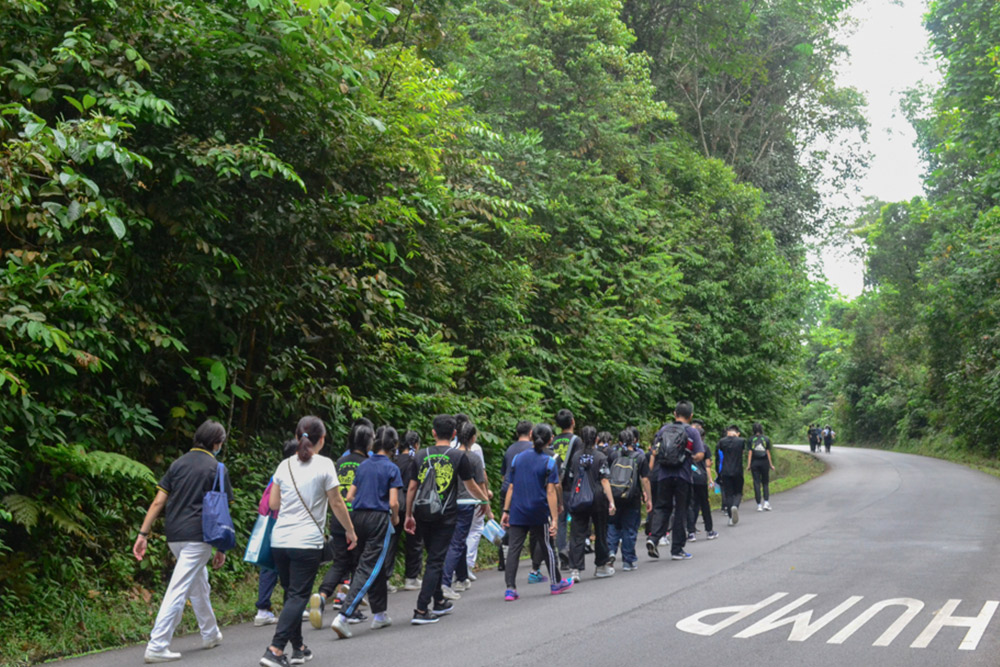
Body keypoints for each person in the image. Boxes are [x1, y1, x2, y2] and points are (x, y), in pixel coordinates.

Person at [260, 416, 357, 667]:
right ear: (322, 440)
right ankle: (275, 649)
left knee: (292, 594)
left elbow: (273, 505)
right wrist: (350, 530)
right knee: (297, 596)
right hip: (306, 543)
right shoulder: (325, 465)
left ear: (296, 437)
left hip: (280, 541)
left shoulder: (284, 466)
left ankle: (299, 648)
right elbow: (336, 502)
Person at [133, 420, 231, 664]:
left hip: (174, 535)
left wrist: (142, 534)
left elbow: (158, 502)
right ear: (217, 443)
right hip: (199, 536)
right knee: (178, 589)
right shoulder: (217, 468)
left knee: (199, 583)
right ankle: (157, 645)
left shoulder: (177, 464)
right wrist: (222, 546)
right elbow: (222, 511)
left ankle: (210, 633)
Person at [403, 414, 490, 625]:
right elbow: (470, 485)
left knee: (434, 555)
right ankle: (421, 609)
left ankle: (439, 601)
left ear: (433, 433)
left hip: (422, 513)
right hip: (446, 515)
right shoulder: (458, 457)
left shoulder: (420, 455)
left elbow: (412, 487)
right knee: (435, 561)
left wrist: (408, 514)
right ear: (453, 434)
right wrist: (484, 501)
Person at [329, 425, 403, 638]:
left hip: (357, 517)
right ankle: (343, 616)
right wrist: (395, 518)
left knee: (373, 565)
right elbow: (393, 502)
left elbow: (350, 496)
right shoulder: (391, 468)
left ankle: (379, 614)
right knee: (368, 566)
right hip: (377, 518)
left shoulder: (362, 466)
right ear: (393, 446)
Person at [501, 423, 575, 600]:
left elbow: (510, 486)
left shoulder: (517, 459)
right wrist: (555, 519)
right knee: (547, 545)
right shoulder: (549, 461)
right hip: (538, 510)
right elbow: (551, 491)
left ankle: (510, 588)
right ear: (550, 440)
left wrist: (506, 510)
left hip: (518, 509)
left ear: (532, 435)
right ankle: (556, 583)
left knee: (514, 549)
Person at [312, 419, 371, 625]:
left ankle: (321, 596)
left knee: (339, 563)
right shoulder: (367, 464)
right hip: (357, 521)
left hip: (338, 520)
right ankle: (351, 607)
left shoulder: (338, 462)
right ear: (367, 443)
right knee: (357, 564)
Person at [645, 401, 705, 561]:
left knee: (661, 507)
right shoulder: (692, 432)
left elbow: (654, 450)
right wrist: (689, 457)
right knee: (680, 510)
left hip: (663, 475)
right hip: (683, 476)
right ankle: (677, 549)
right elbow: (700, 454)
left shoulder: (664, 430)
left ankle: (653, 538)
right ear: (691, 416)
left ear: (675, 413)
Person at [441, 420, 492, 599]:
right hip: (467, 503)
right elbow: (480, 483)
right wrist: (485, 503)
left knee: (458, 539)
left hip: (449, 503)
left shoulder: (450, 455)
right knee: (457, 542)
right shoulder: (474, 458)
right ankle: (445, 582)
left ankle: (462, 578)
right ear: (472, 438)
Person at [254, 439, 299, 627]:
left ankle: (262, 610)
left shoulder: (277, 473)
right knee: (292, 567)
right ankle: (294, 606)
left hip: (271, 525)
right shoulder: (294, 475)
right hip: (287, 526)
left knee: (269, 567)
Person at [566, 426, 616, 581]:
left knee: (577, 533)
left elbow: (570, 477)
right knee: (601, 531)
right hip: (597, 497)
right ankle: (601, 566)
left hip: (579, 497)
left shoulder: (575, 457)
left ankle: (575, 569)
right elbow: (605, 479)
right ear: (596, 440)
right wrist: (611, 501)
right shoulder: (600, 456)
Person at [606, 429, 651, 572]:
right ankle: (628, 560)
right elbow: (645, 479)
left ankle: (611, 552)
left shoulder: (612, 455)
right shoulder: (639, 457)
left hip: (614, 495)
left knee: (613, 525)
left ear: (619, 442)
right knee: (629, 528)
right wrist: (648, 497)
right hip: (632, 496)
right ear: (635, 441)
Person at [551, 409, 581, 567]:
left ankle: (562, 553)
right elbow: (578, 464)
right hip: (571, 485)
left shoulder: (554, 440)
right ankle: (569, 551)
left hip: (555, 486)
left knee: (560, 521)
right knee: (576, 520)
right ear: (573, 422)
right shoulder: (576, 441)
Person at [687, 420, 718, 541]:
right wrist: (710, 479)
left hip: (689, 478)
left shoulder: (688, 447)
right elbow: (708, 466)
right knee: (705, 505)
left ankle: (691, 532)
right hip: (701, 479)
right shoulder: (705, 448)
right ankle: (709, 531)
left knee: (690, 505)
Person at [715, 425, 746, 526]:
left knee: (728, 494)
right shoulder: (741, 441)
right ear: (736, 433)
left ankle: (730, 517)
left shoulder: (722, 442)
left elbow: (719, 455)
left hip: (725, 471)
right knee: (738, 492)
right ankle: (735, 506)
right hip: (738, 470)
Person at [747, 422, 775, 511]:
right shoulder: (766, 439)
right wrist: (771, 464)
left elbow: (750, 452)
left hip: (754, 463)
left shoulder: (751, 439)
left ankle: (759, 504)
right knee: (765, 482)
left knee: (756, 483)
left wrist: (749, 465)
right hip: (764, 462)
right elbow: (767, 452)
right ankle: (766, 502)